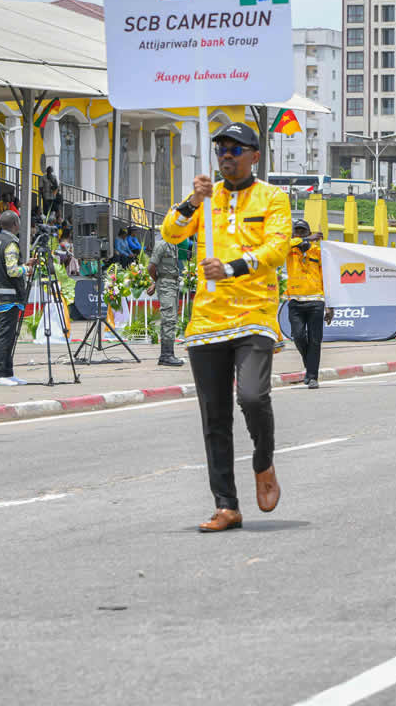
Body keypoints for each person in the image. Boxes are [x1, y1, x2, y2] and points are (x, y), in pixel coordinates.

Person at [161, 122, 291, 534]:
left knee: (252, 396)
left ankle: (262, 459)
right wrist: (190, 200)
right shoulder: (205, 197)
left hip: (255, 312)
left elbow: (277, 247)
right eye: (221, 150)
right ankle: (226, 505)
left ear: (255, 155)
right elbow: (171, 232)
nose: (227, 155)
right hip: (207, 319)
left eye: (236, 149)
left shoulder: (273, 197)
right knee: (214, 416)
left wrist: (232, 267)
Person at [285, 219, 332, 388]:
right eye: (297, 231)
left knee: (315, 340)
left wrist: (330, 306)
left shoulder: (319, 252)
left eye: (302, 231)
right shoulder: (289, 250)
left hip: (316, 301)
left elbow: (327, 279)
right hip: (295, 300)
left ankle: (313, 377)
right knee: (297, 336)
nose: (299, 234)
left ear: (308, 231)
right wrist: (308, 239)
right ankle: (309, 365)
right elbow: (282, 245)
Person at [0, 210, 31, 386]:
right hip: (8, 294)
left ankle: (7, 372)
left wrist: (23, 266)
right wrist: (26, 269)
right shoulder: (11, 243)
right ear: (15, 225)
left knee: (8, 334)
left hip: (0, 292)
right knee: (5, 335)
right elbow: (12, 271)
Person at [149, 231, 186, 367]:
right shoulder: (161, 245)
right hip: (165, 286)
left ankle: (168, 354)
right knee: (168, 318)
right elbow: (151, 267)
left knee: (171, 319)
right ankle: (166, 355)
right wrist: (157, 281)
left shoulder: (173, 246)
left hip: (172, 284)